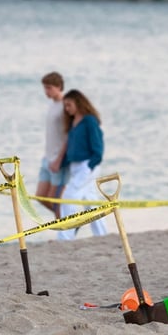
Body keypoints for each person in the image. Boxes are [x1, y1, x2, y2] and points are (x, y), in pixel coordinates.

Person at [57, 89, 108, 241]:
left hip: (87, 165)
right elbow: (73, 148)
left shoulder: (89, 121)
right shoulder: (73, 123)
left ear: (78, 103)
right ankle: (102, 235)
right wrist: (61, 163)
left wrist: (91, 165)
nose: (67, 109)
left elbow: (98, 146)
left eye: (69, 105)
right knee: (90, 202)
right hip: (75, 167)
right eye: (65, 106)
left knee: (68, 197)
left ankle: (65, 236)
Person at [36, 72, 67, 216]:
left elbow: (69, 135)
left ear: (59, 87)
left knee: (55, 199)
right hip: (47, 157)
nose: (46, 92)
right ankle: (68, 223)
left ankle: (64, 231)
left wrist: (59, 159)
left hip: (58, 160)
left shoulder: (65, 106)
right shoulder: (52, 105)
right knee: (40, 196)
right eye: (44, 88)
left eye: (49, 88)